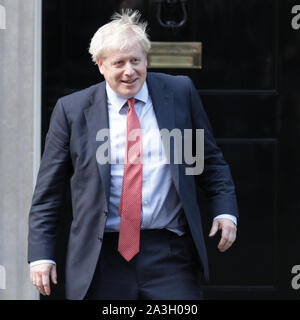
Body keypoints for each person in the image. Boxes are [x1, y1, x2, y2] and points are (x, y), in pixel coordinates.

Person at [28, 9, 238, 300]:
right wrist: (41, 255)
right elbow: (48, 192)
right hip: (101, 258)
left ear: (146, 60)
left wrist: (225, 211)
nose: (130, 71)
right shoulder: (72, 110)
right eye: (119, 63)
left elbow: (210, 163)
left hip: (169, 254)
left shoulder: (179, 93)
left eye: (136, 61)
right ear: (100, 65)